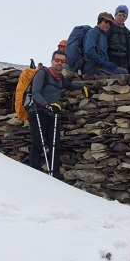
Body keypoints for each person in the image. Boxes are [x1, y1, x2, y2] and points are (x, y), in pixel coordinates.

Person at [29, 50, 90, 179]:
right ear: (52, 61)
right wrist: (48, 105)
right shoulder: (42, 74)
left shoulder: (60, 78)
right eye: (57, 60)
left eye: (62, 61)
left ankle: (54, 176)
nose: (59, 63)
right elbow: (35, 93)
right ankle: (34, 174)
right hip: (38, 112)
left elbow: (68, 85)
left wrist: (82, 88)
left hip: (52, 114)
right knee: (38, 144)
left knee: (55, 145)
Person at [107, 5, 130, 73]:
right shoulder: (109, 27)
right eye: (120, 14)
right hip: (111, 58)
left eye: (124, 15)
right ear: (115, 15)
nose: (122, 17)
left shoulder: (127, 32)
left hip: (123, 61)